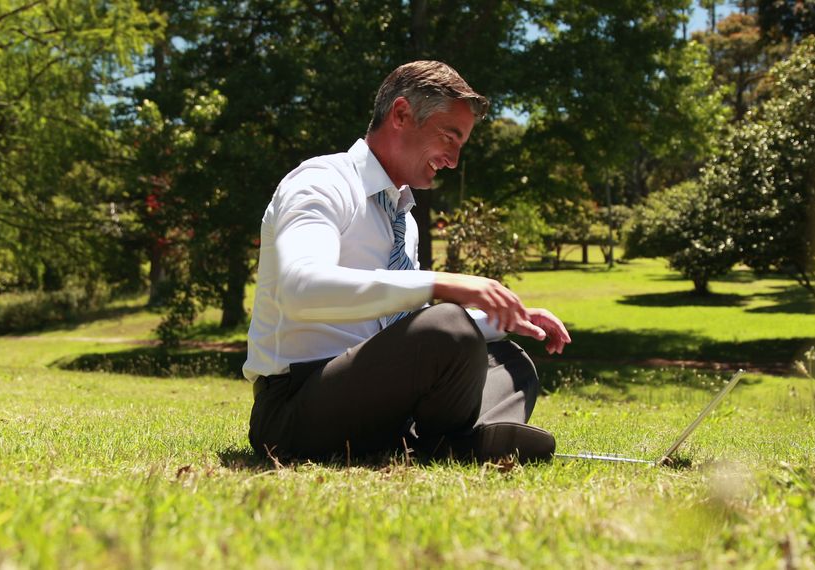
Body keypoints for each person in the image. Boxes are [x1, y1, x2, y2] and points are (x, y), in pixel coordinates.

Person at [243, 60, 571, 463]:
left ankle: (444, 444)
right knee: (448, 324)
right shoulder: (321, 182)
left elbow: (407, 325)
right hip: (294, 410)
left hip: (377, 398)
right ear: (401, 114)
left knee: (510, 359)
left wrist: (501, 318)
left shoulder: (402, 218)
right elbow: (300, 289)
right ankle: (461, 443)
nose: (452, 160)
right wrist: (443, 283)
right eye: (449, 137)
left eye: (460, 145)